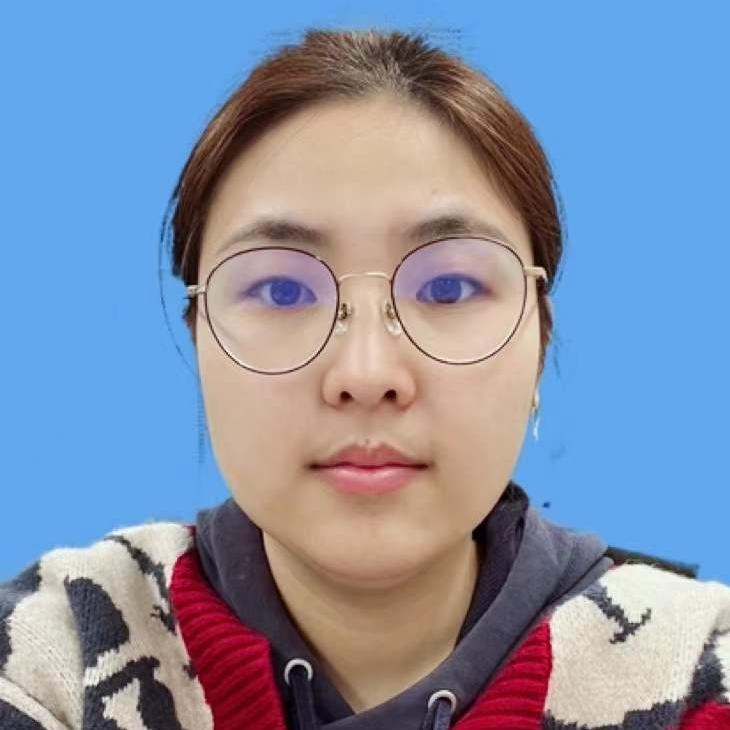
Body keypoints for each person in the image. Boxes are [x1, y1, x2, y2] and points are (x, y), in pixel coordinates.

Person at [1, 27, 729, 730]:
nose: (367, 374)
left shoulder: (691, 674)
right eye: (282, 291)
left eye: (447, 288)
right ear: (200, 338)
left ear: (538, 339)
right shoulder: (55, 654)